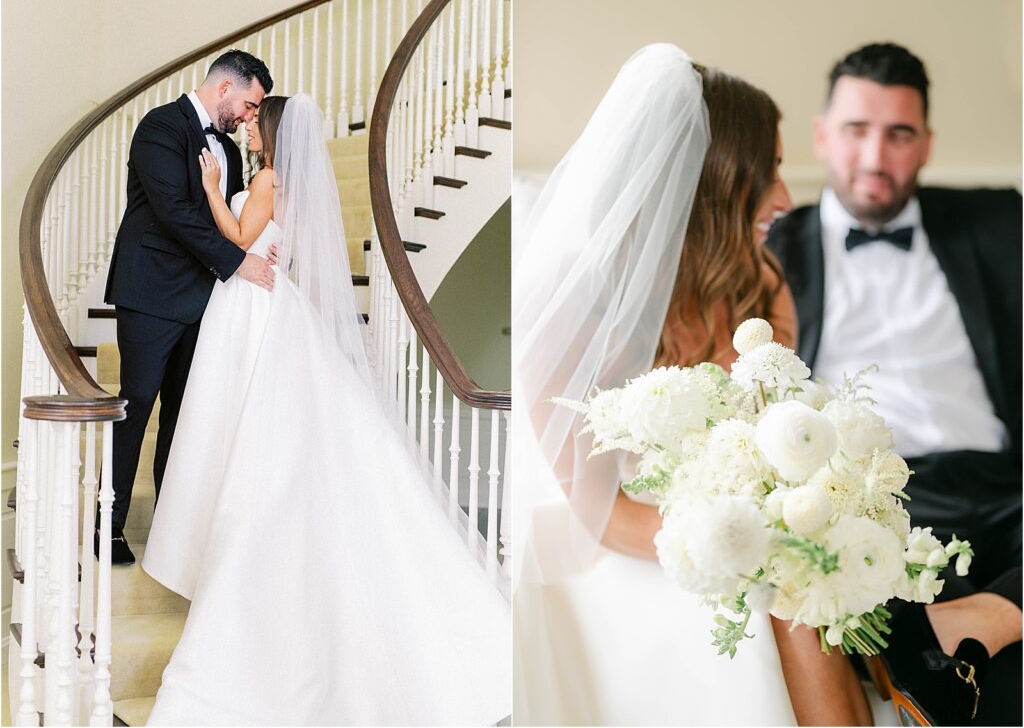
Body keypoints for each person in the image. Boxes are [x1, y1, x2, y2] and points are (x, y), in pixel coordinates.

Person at [513, 44, 874, 727]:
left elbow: (783, 444)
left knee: (799, 577)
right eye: (768, 169)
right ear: (716, 183)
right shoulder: (569, 300)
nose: (786, 196)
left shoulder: (760, 283)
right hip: (615, 542)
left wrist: (784, 524)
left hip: (736, 523)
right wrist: (740, 542)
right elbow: (605, 513)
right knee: (767, 595)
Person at [140, 94, 511, 726]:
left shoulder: (264, 178)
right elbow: (283, 248)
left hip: (251, 306)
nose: (249, 129)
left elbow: (235, 239)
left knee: (251, 428)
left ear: (273, 134)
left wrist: (207, 188)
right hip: (271, 302)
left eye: (257, 123)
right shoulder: (284, 181)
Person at [767, 42, 1022, 726]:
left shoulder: (1001, 222)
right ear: (822, 136)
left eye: (899, 134)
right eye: (856, 130)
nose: (876, 157)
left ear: (927, 144)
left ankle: (974, 622)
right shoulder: (771, 247)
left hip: (1011, 484)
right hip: (887, 500)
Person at [102, 50, 277, 565]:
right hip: (152, 293)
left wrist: (264, 243)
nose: (250, 116)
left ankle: (169, 530)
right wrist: (237, 262)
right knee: (134, 407)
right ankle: (106, 527)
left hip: (205, 300)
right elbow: (174, 210)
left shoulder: (228, 147)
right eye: (249, 104)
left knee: (182, 416)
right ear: (225, 88)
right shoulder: (159, 127)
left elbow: (235, 215)